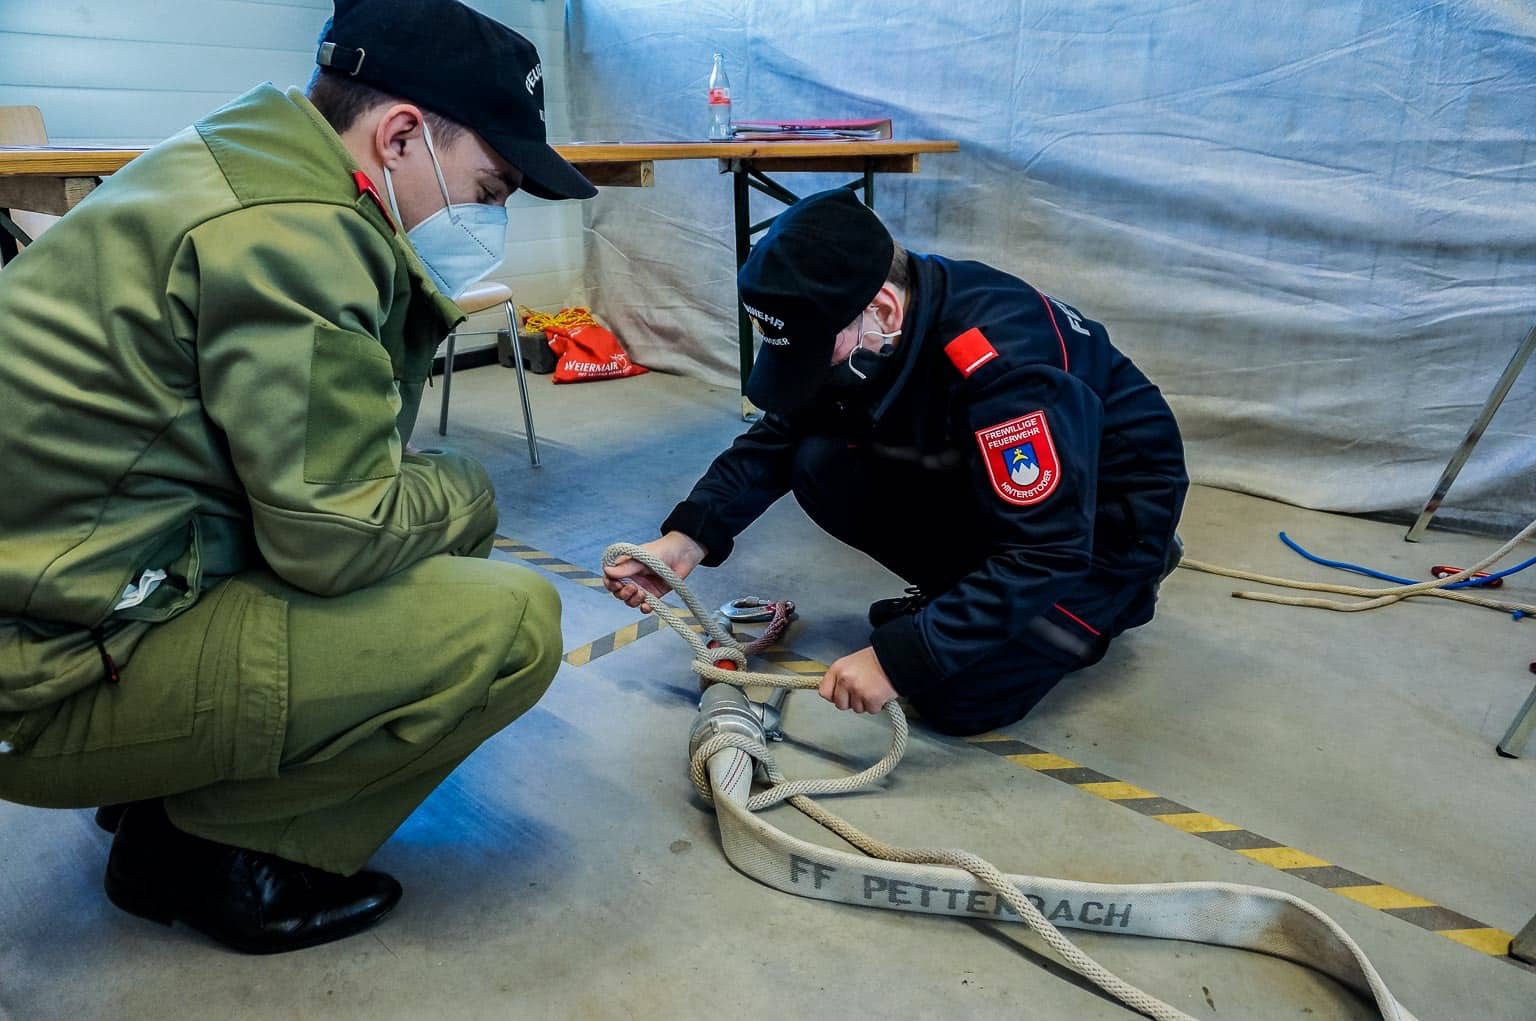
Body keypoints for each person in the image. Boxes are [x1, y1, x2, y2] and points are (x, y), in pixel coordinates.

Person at [0, 0, 595, 954]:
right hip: (41, 680)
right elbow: (337, 535)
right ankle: (212, 854)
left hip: (67, 595)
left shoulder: (237, 154)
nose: (488, 218)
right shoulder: (299, 236)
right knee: (511, 619)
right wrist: (468, 488)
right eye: (488, 189)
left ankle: (162, 785)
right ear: (402, 134)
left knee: (420, 523)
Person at [605, 189, 1187, 736]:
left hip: (1103, 531)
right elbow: (780, 434)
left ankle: (1113, 600)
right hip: (1006, 496)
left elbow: (1048, 549)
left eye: (816, 349)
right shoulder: (871, 316)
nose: (808, 366)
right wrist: (690, 537)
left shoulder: (1007, 372)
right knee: (820, 460)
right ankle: (964, 593)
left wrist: (901, 659)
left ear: (881, 309)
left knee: (955, 698)